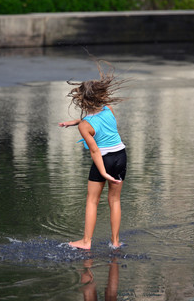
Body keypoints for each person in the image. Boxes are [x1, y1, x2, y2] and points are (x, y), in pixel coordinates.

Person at [59, 64, 127, 250]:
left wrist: (103, 173)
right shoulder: (108, 108)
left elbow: (95, 151)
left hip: (103, 160)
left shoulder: (85, 125)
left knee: (92, 200)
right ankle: (115, 242)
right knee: (114, 200)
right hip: (121, 156)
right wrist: (74, 122)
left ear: (82, 100)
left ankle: (86, 242)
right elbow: (98, 123)